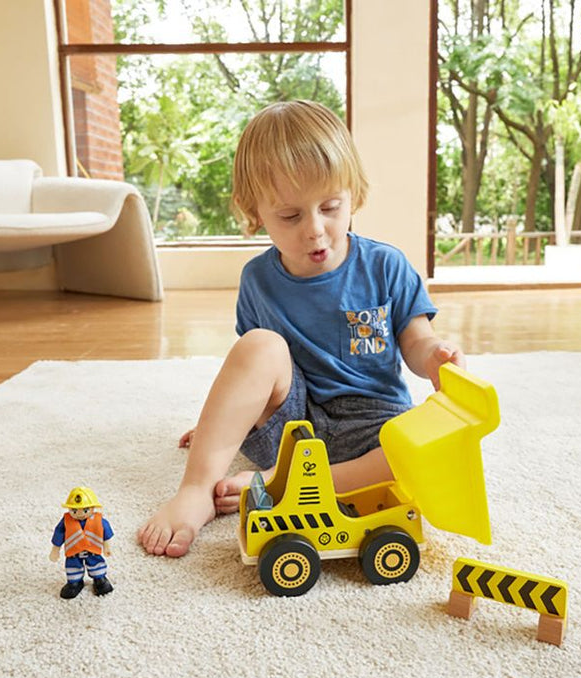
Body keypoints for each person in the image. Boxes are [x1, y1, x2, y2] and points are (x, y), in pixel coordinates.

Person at [138, 100, 464, 558]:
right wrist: (221, 426)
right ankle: (196, 491)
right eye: (290, 216)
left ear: (354, 194)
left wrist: (435, 357)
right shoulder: (258, 279)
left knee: (422, 453)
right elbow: (252, 373)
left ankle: (282, 484)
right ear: (254, 212)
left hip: (373, 428)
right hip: (292, 430)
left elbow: (417, 340)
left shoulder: (385, 265)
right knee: (259, 344)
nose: (314, 229)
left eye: (330, 207)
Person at [50, 486, 114, 599]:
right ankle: (74, 582)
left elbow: (106, 532)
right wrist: (55, 550)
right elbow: (59, 534)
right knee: (73, 567)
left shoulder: (99, 520)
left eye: (85, 510)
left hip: (92, 551)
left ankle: (100, 578)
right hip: (74, 552)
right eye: (74, 510)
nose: (80, 514)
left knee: (96, 564)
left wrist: (107, 547)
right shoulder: (66, 521)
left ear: (93, 508)